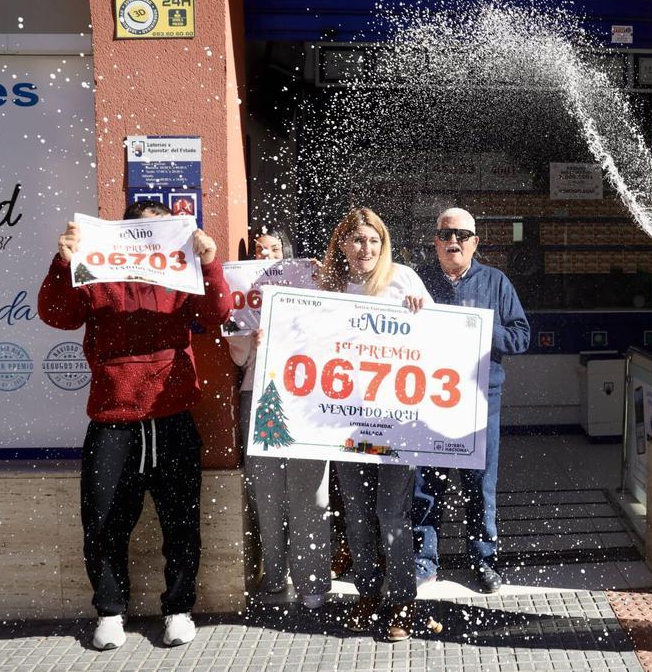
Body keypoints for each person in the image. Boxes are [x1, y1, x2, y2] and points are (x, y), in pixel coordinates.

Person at [38, 200, 232, 651]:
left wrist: (208, 262)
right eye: (142, 231)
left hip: (172, 417)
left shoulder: (181, 272)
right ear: (122, 235)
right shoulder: (96, 269)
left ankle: (179, 609)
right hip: (113, 420)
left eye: (161, 231)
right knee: (104, 521)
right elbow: (57, 314)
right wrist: (63, 262)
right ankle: (110, 611)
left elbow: (217, 314)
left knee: (181, 522)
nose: (152, 240)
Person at [318, 208, 430, 643]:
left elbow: (438, 341)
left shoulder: (402, 279)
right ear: (343, 243)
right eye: (357, 239)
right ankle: (367, 593)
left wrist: (422, 312)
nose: (365, 248)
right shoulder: (329, 285)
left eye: (373, 240)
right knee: (359, 515)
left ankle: (402, 599)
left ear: (384, 245)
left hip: (396, 425)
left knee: (391, 514)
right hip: (346, 424)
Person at [411, 208, 530, 593]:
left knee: (480, 486)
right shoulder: (417, 281)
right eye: (446, 235)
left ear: (475, 242)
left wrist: (479, 324)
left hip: (480, 404)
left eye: (462, 236)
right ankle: (424, 560)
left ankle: (483, 559)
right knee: (426, 484)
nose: (454, 242)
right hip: (429, 402)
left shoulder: (496, 282)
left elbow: (521, 337)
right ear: (435, 241)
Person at [226, 231, 331, 609]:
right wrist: (250, 342)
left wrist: (325, 277)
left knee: (310, 491)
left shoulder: (312, 283)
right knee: (265, 491)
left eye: (274, 250)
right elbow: (238, 358)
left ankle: (312, 580)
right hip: (259, 394)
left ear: (288, 254)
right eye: (259, 250)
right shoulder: (242, 294)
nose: (267, 256)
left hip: (307, 397)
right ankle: (274, 573)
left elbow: (339, 328)